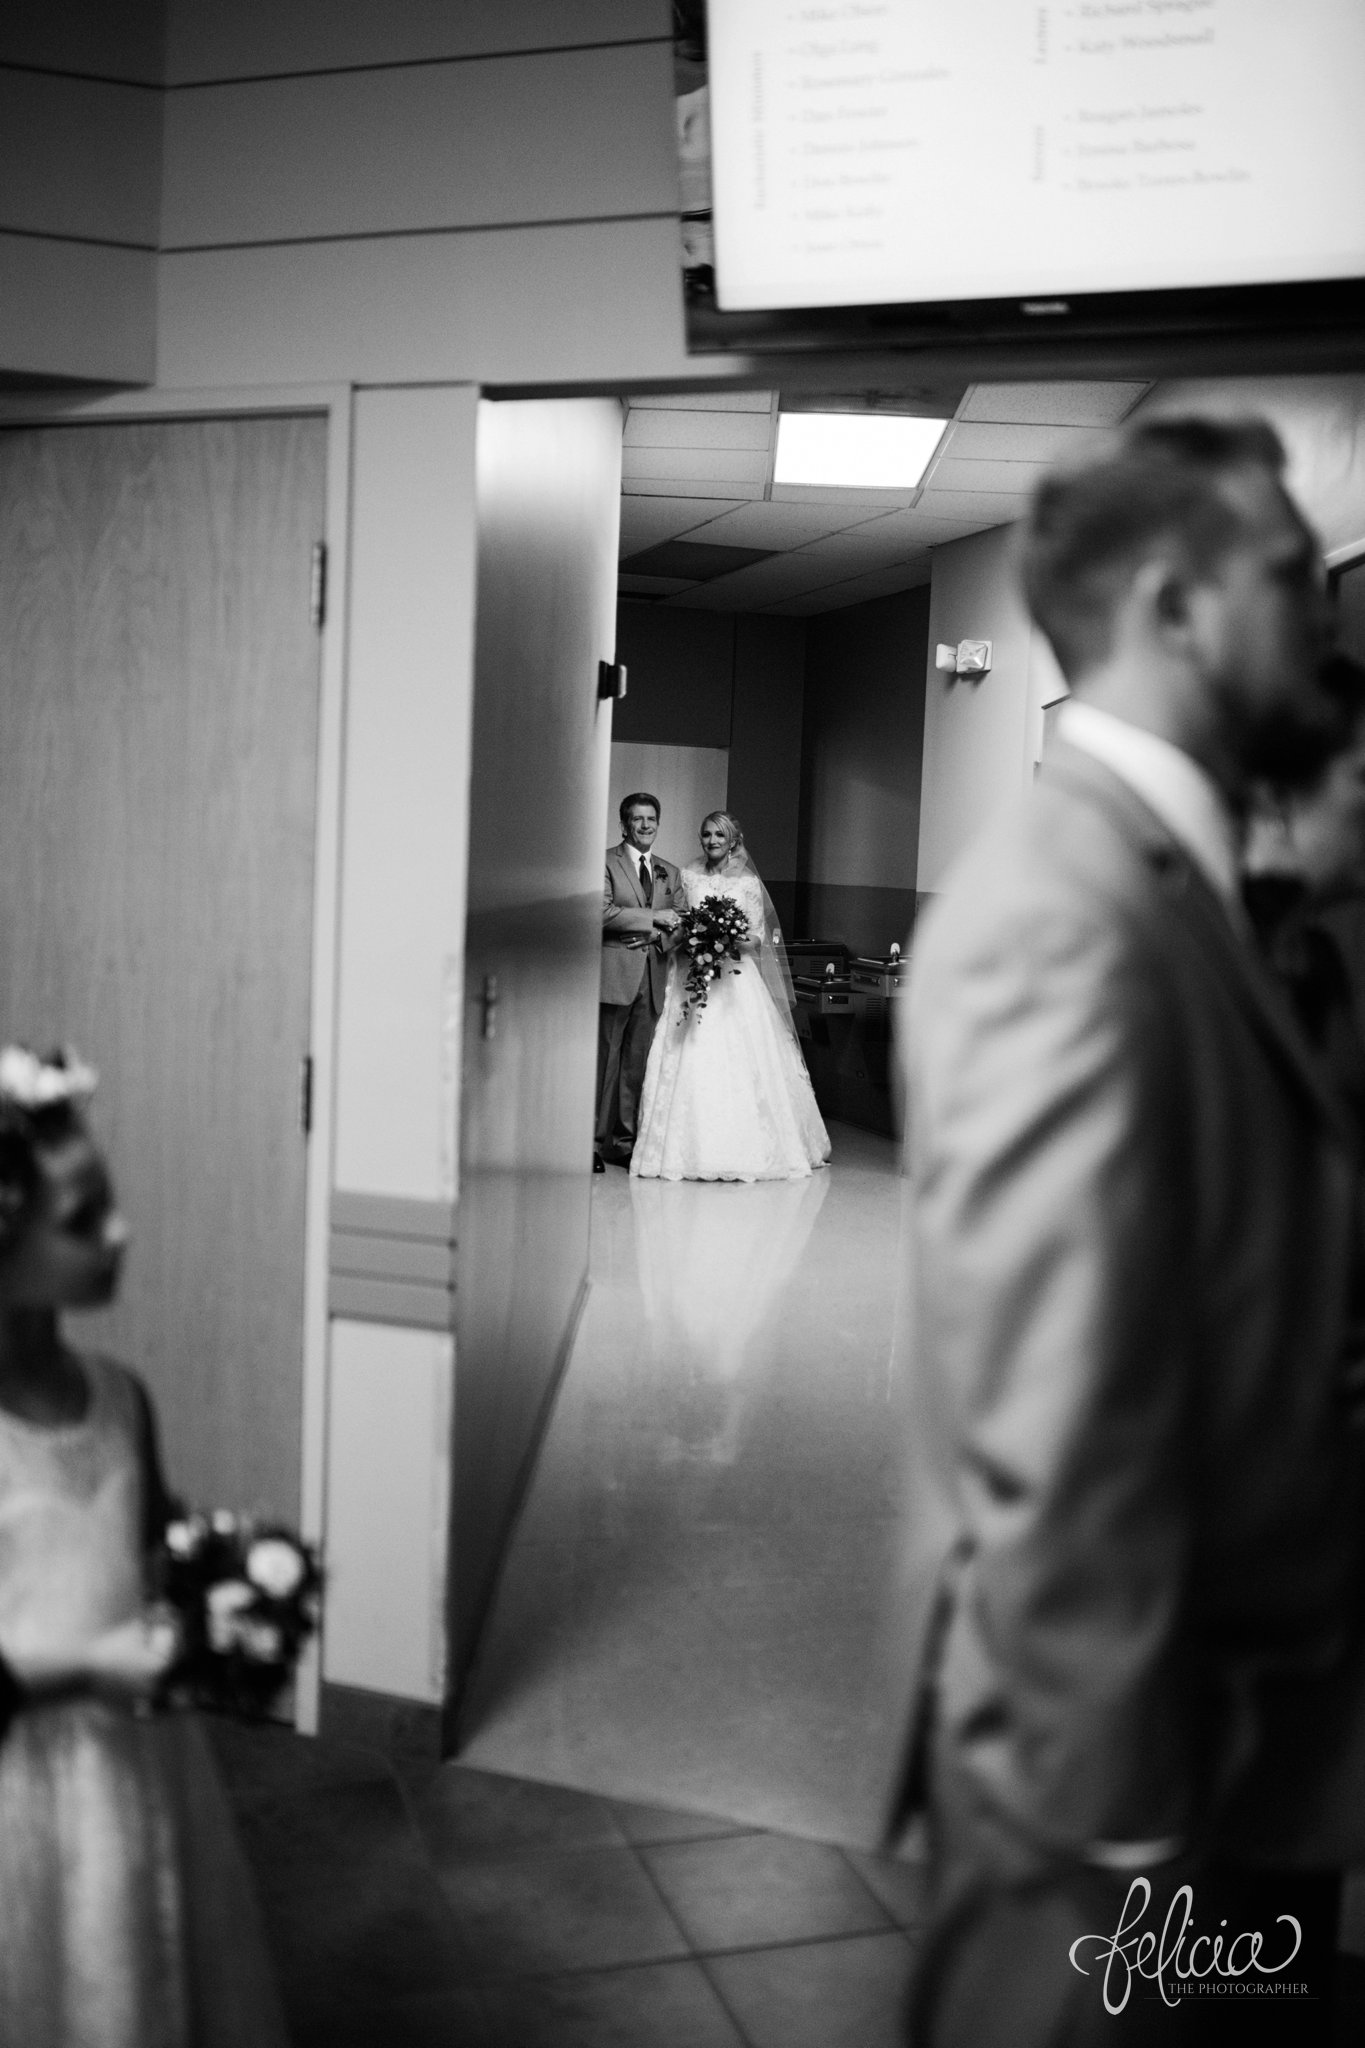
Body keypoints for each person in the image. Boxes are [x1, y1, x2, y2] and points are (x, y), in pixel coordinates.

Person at [894, 416, 1365, 2045]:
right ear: (1176, 606)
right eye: (1295, 579)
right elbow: (1057, 1428)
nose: (1325, 613)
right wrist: (1129, 1848)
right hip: (1127, 1804)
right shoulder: (1058, 911)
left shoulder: (1179, 874)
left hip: (1248, 1739)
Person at [0, 1044, 289, 2047]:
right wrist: (90, 1662)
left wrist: (226, 1596)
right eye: (82, 1217)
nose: (120, 1230)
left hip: (136, 1768)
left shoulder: (122, 1397)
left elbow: (155, 1550)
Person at [631, 811, 830, 1182]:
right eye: (706, 834)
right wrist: (692, 937)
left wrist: (725, 938)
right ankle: (682, 1148)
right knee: (687, 1054)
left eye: (719, 835)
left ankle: (748, 1148)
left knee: (744, 1059)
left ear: (733, 839)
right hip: (695, 977)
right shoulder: (686, 877)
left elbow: (757, 939)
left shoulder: (749, 884)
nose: (711, 841)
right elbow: (679, 922)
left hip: (737, 982)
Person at [597, 791, 686, 1170]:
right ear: (624, 824)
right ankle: (591, 1145)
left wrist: (657, 934)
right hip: (614, 978)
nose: (646, 825)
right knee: (604, 1063)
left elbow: (682, 920)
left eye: (651, 819)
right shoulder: (604, 862)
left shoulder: (671, 870)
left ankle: (623, 1143)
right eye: (638, 819)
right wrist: (653, 918)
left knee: (636, 1065)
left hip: (653, 976)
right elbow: (600, 911)